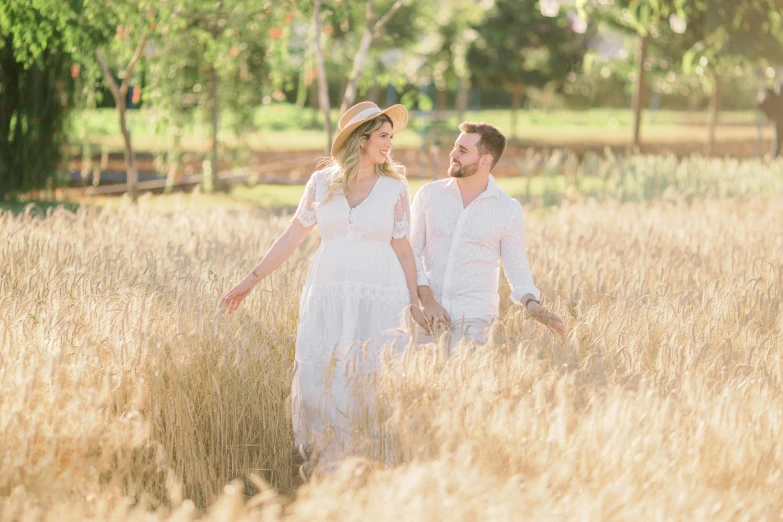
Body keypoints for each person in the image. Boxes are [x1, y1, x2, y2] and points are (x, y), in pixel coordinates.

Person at [219, 101, 425, 475]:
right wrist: (250, 281)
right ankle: (331, 468)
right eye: (383, 136)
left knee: (372, 376)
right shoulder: (320, 183)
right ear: (361, 139)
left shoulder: (395, 186)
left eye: (391, 137)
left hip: (379, 292)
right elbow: (291, 236)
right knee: (325, 377)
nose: (389, 144)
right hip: (328, 293)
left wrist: (415, 301)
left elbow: (404, 248)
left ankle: (375, 468)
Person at [411, 121, 565, 350]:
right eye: (455, 147)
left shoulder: (507, 209)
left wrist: (531, 303)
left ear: (485, 160)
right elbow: (411, 252)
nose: (453, 154)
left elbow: (517, 268)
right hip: (428, 318)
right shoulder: (429, 195)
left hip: (476, 320)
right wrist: (427, 300)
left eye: (462, 151)